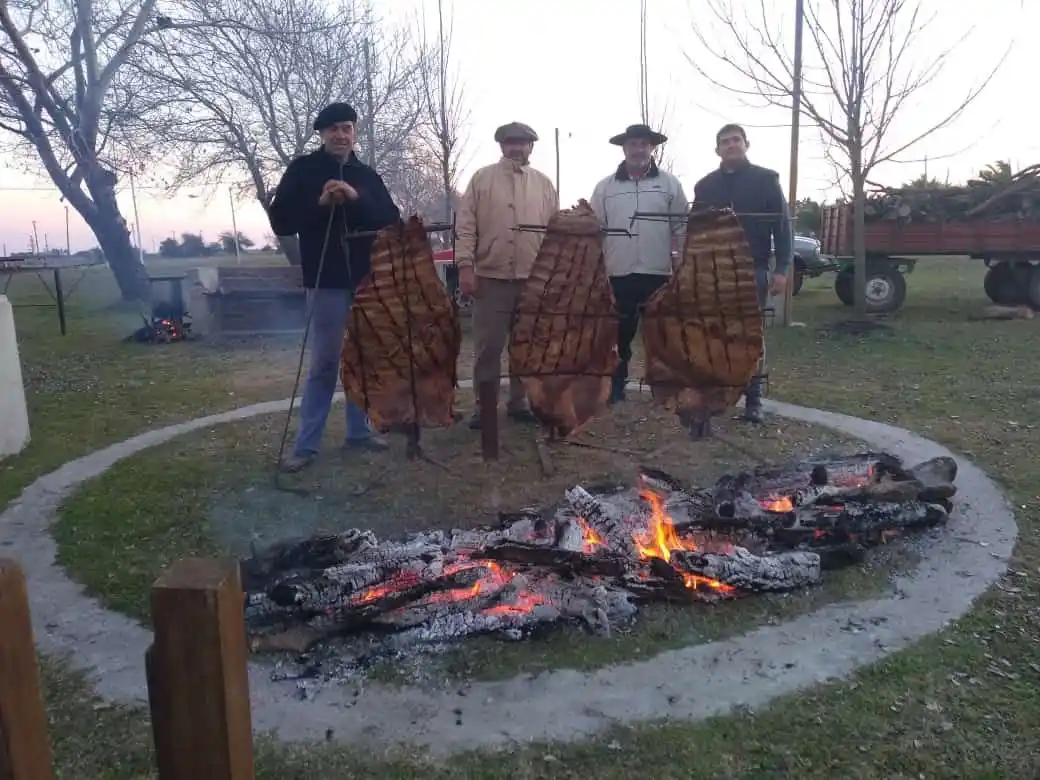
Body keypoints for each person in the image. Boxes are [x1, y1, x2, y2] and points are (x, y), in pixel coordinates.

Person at [267, 101, 401, 472]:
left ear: (354, 132)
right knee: (325, 362)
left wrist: (356, 198)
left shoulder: (365, 174)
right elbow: (281, 221)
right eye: (333, 130)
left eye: (347, 128)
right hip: (325, 280)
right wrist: (321, 202)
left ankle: (358, 433)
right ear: (322, 134)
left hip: (365, 281)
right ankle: (306, 445)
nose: (341, 135)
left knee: (362, 359)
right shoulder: (303, 170)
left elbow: (391, 220)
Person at [455, 121, 559, 429]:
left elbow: (555, 231)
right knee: (488, 348)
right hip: (490, 278)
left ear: (531, 147)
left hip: (533, 280)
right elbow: (465, 226)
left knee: (525, 346)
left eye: (522, 143)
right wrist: (465, 266)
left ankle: (519, 402)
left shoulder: (544, 184)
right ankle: (484, 407)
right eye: (510, 142)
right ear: (501, 145)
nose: (516, 147)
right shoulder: (481, 180)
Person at [693, 123, 793, 424]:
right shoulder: (705, 186)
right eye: (724, 141)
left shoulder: (766, 180)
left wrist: (782, 269)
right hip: (714, 274)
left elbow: (783, 227)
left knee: (751, 337)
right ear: (717, 149)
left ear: (746, 144)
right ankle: (712, 400)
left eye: (736, 140)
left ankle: (753, 401)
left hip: (754, 270)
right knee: (713, 337)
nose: (731, 145)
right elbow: (695, 231)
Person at [590, 123, 689, 404]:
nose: (638, 149)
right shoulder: (605, 187)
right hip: (618, 273)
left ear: (652, 148)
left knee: (660, 335)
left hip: (657, 273)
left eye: (644, 144)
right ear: (624, 148)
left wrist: (681, 262)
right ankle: (617, 385)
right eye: (633, 144)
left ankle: (663, 388)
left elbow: (681, 227)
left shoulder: (670, 184)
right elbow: (595, 229)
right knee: (618, 335)